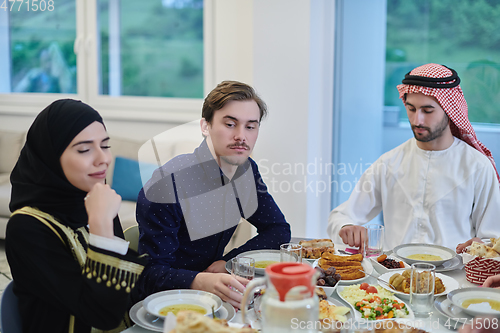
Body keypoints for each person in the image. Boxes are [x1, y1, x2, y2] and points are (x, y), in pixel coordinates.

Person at [135, 81, 291, 308]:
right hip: (165, 305)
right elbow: (149, 276)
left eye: (250, 126)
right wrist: (201, 280)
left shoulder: (245, 171)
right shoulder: (167, 185)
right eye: (230, 124)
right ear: (205, 126)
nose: (241, 136)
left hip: (217, 298)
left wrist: (229, 262)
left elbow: (278, 229)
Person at [6, 99, 145, 333]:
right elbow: (102, 314)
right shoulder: (27, 227)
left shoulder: (93, 198)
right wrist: (101, 225)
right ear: (52, 156)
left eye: (105, 145)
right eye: (84, 149)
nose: (103, 159)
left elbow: (124, 290)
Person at [327, 63, 500, 251]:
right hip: (394, 277)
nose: (417, 120)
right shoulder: (389, 163)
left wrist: (483, 245)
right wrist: (347, 227)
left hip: (455, 277)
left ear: (449, 111)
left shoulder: (477, 166)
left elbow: (493, 238)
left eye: (427, 111)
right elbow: (340, 216)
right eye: (411, 109)